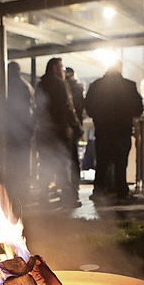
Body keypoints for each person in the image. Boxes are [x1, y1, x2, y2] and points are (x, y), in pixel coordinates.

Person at [85, 60, 143, 202]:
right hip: (122, 129)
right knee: (121, 162)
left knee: (102, 161)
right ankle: (121, 189)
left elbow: (88, 106)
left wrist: (98, 117)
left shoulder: (96, 85)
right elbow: (138, 108)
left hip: (103, 129)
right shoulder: (129, 86)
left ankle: (99, 189)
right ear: (120, 68)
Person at [34, 57, 83, 208]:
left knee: (45, 165)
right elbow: (68, 107)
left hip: (43, 132)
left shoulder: (41, 85)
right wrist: (77, 127)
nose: (63, 71)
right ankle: (67, 199)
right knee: (62, 165)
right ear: (55, 68)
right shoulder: (60, 84)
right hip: (59, 131)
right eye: (61, 67)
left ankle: (43, 197)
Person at [0, 61, 36, 202]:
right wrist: (30, 130)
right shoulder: (25, 86)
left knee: (10, 161)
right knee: (23, 162)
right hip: (22, 133)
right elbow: (31, 110)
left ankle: (11, 191)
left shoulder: (4, 86)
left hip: (8, 132)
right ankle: (23, 192)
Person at [64, 66, 85, 203]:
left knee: (66, 160)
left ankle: (68, 190)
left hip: (65, 128)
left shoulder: (64, 87)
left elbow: (70, 109)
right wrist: (78, 128)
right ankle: (73, 189)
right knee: (72, 159)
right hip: (71, 128)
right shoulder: (77, 88)